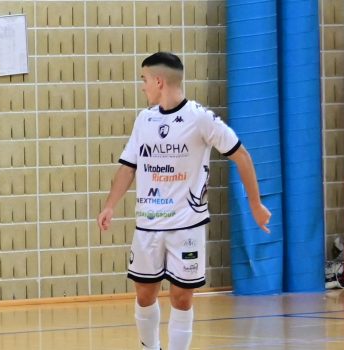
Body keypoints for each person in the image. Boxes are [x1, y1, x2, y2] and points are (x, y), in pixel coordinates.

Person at [95, 52, 271, 350]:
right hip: (148, 226)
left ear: (159, 81)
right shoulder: (145, 119)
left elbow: (241, 154)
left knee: (181, 296)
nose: (142, 87)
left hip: (187, 226)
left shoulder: (200, 118)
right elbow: (128, 166)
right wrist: (110, 204)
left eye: (144, 80)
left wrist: (255, 204)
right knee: (144, 293)